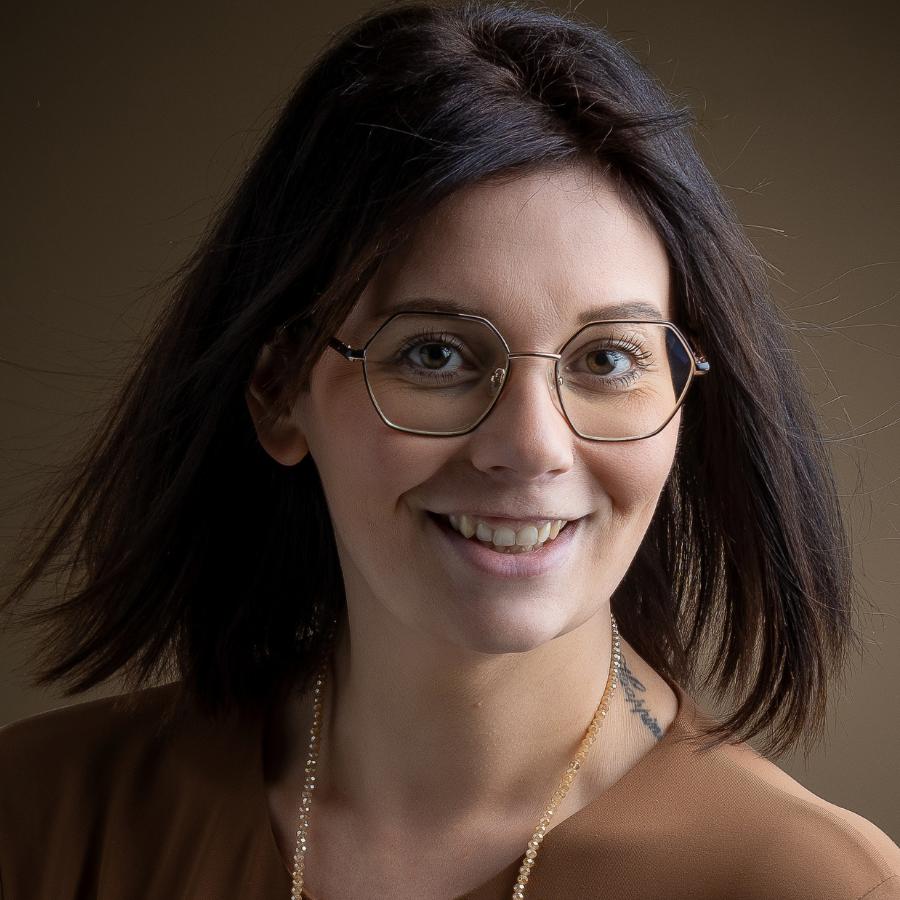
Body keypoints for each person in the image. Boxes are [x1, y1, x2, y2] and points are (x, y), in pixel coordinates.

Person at [0, 1, 898, 898]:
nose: (533, 446)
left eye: (607, 359)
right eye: (436, 355)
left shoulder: (818, 884)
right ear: (280, 392)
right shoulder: (40, 820)